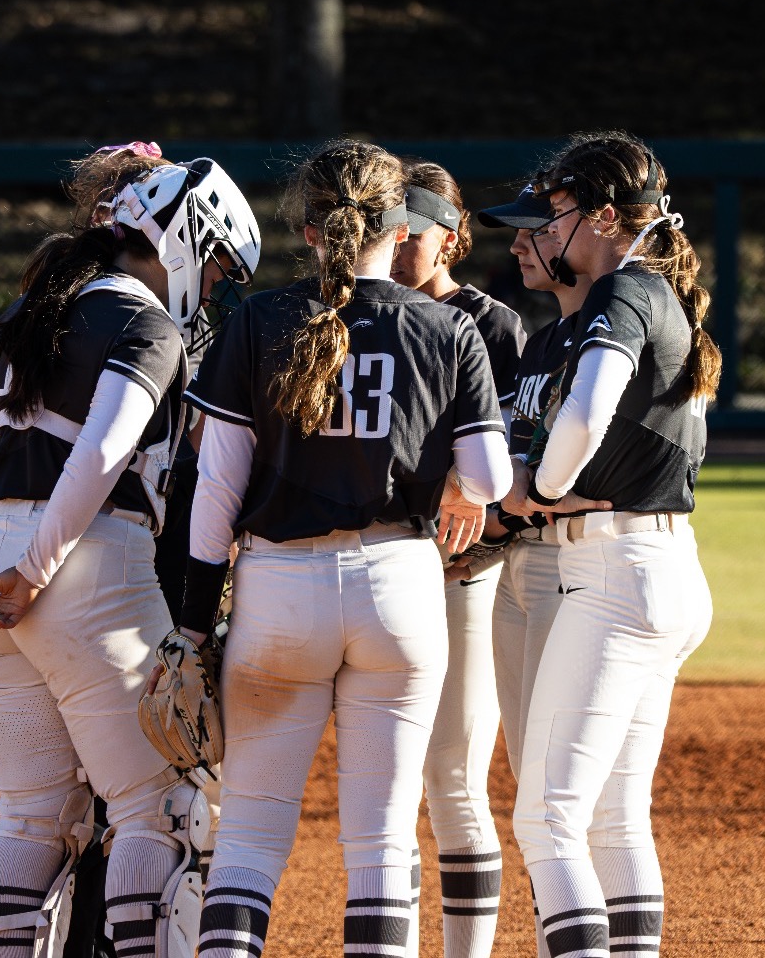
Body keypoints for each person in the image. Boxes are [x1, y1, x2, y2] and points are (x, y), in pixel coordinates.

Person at [175, 139, 512, 958]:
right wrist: (461, 490)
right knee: (382, 846)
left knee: (250, 840)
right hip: (398, 587)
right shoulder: (446, 326)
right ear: (399, 229)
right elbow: (492, 477)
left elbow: (214, 492)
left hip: (278, 589)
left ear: (307, 228)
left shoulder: (256, 320)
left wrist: (190, 625)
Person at [0, 152, 261, 958]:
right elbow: (101, 452)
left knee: (32, 814)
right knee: (163, 809)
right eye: (221, 259)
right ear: (186, 235)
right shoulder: (146, 324)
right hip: (86, 564)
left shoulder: (32, 309)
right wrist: (35, 570)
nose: (219, 281)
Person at [498, 132, 718, 958]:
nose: (541, 233)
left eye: (554, 214)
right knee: (616, 819)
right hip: (659, 564)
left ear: (600, 217)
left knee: (548, 819)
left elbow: (588, 412)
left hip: (614, 572)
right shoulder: (657, 294)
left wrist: (540, 491)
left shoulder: (628, 288)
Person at [389, 159, 526, 958]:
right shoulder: (361, 316)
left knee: (452, 777)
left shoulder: (491, 325)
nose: (401, 240)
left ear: (452, 236)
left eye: (415, 227)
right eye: (391, 226)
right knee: (390, 790)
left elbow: (504, 464)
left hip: (463, 574)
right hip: (379, 571)